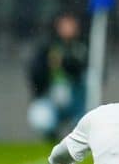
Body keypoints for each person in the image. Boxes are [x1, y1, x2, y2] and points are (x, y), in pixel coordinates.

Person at [27, 12, 88, 141]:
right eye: (64, 25)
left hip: (77, 100)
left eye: (70, 25)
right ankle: (51, 133)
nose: (68, 29)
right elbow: (35, 75)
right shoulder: (47, 47)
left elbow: (84, 69)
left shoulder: (83, 47)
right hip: (51, 99)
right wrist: (48, 66)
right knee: (41, 118)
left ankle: (78, 132)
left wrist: (64, 62)